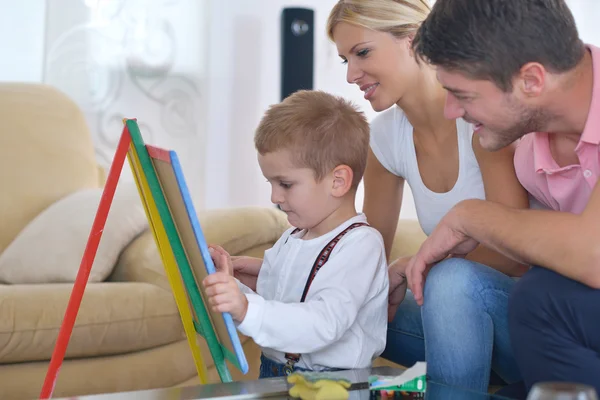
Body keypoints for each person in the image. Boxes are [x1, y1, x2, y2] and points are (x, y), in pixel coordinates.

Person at [325, 0, 529, 392]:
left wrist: (422, 263)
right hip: (455, 319)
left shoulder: (479, 112)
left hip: (524, 319)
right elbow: (366, 256)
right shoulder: (385, 138)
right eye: (344, 60)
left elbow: (514, 251)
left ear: (412, 40)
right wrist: (277, 283)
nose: (352, 74)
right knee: (340, 313)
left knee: (450, 281)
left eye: (363, 52)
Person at [407, 0, 600, 394]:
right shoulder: (527, 142)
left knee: (543, 298)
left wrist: (469, 216)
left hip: (562, 308)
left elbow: (593, 254)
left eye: (461, 94)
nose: (450, 111)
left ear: (531, 80)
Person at [202, 90, 389, 378]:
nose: (275, 196)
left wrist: (244, 307)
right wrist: (231, 287)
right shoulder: (293, 236)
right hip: (276, 371)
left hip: (332, 387)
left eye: (285, 184)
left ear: (337, 181)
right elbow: (277, 305)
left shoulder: (360, 244)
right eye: (271, 182)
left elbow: (323, 323)